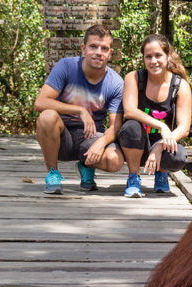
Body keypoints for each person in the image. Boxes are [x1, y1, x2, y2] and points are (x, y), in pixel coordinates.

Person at [34, 24, 124, 194]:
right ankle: (52, 173)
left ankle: (86, 165)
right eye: (93, 46)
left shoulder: (116, 83)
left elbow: (115, 126)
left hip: (91, 137)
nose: (98, 52)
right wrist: (79, 110)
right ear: (83, 48)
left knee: (115, 161)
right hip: (61, 137)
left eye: (104, 48)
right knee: (47, 117)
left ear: (110, 53)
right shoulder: (66, 67)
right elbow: (40, 102)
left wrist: (101, 143)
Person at [118, 34, 192, 198]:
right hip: (136, 145)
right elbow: (129, 111)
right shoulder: (134, 78)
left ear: (168, 56)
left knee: (179, 156)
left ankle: (161, 174)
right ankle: (133, 177)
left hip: (165, 146)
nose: (153, 61)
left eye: (158, 55)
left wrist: (160, 145)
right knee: (131, 126)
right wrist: (162, 125)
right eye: (148, 57)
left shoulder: (180, 85)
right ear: (143, 59)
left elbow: (184, 128)